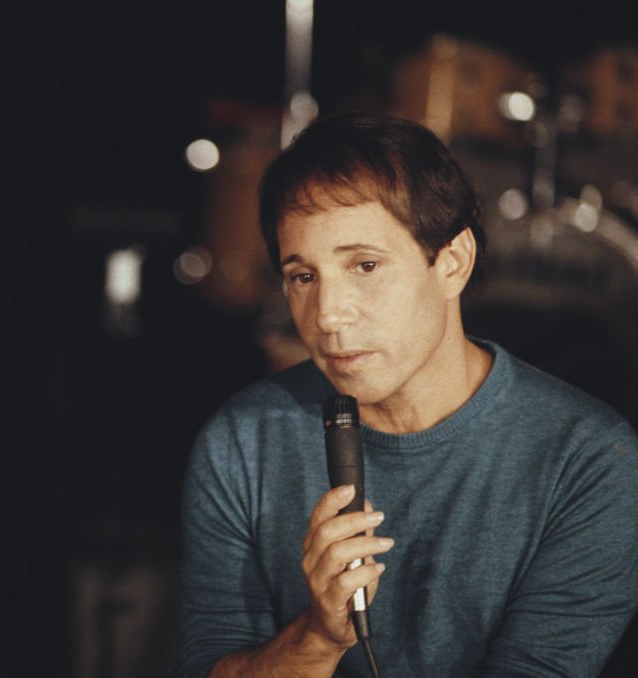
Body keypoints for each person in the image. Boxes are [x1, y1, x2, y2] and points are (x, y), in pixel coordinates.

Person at [175, 111, 638, 677]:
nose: (328, 315)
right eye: (303, 276)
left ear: (453, 262)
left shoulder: (590, 462)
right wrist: (319, 638)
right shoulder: (242, 441)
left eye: (364, 265)